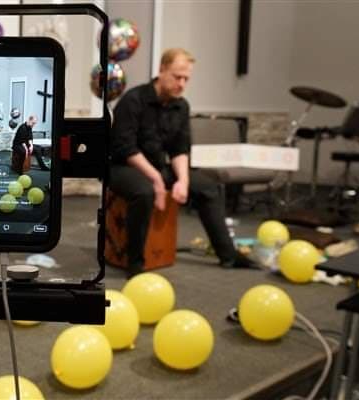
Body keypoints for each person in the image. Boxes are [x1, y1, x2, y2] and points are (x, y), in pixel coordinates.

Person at [109, 48, 258, 277]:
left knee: (209, 187)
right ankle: (135, 263)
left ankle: (228, 254)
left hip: (156, 167)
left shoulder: (181, 106)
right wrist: (157, 180)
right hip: (122, 167)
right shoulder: (133, 100)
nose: (182, 83)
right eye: (177, 77)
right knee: (144, 192)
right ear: (161, 70)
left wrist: (183, 181)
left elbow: (180, 149)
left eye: (186, 79)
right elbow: (125, 148)